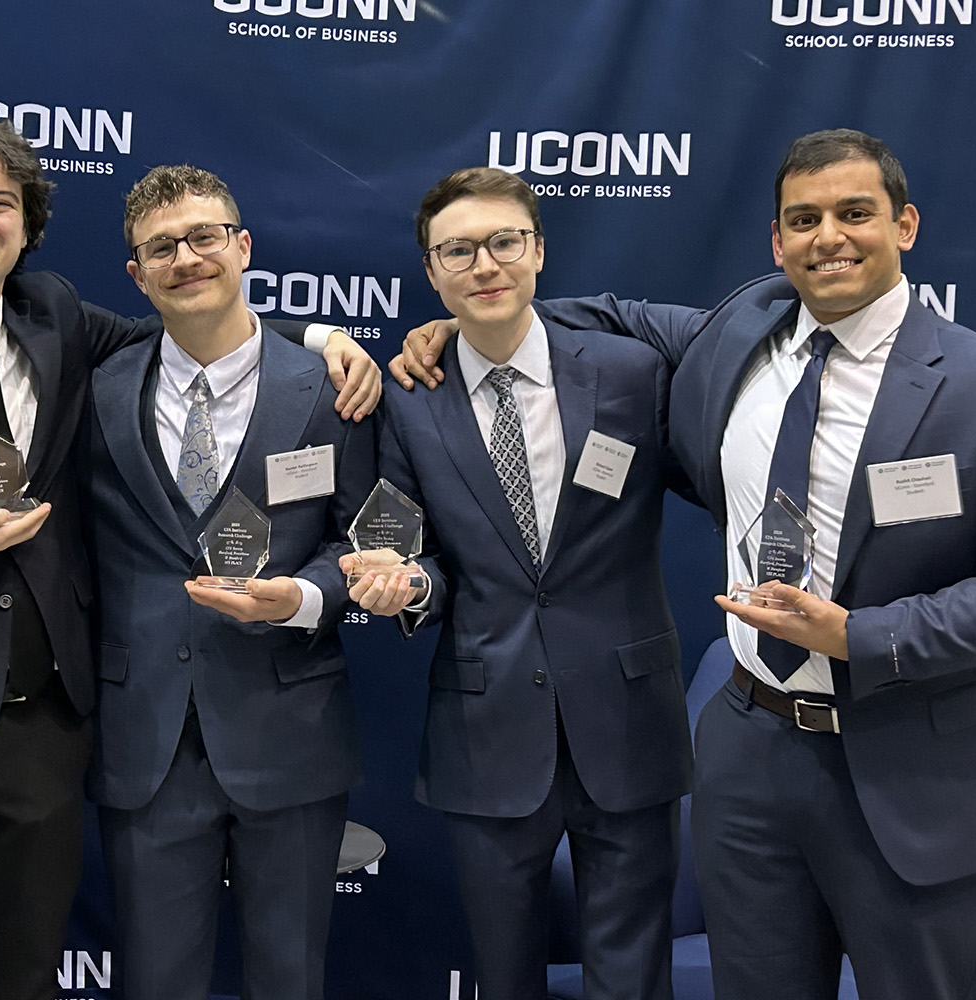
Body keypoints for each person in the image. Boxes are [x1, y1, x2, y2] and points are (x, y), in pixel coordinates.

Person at [393, 129, 976, 1000]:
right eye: (804, 219)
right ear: (776, 243)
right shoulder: (735, 338)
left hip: (910, 758)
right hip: (748, 751)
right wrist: (451, 327)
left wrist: (857, 636)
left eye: (854, 214)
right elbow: (583, 315)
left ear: (905, 225)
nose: (827, 236)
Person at [0, 120, 378, 1000]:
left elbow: (197, 316)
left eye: (1, 204)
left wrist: (321, 337)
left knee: (20, 977)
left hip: (46, 727)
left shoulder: (54, 318)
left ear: (26, 228)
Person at [349, 167, 689, 1000]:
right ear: (431, 273)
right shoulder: (410, 403)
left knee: (633, 970)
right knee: (502, 973)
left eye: (504, 242)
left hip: (626, 714)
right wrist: (407, 587)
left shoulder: (632, 372)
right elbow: (416, 553)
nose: (484, 264)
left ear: (538, 250)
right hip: (487, 722)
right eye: (457, 251)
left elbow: (739, 354)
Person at [82, 163, 375, 1000]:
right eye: (161, 247)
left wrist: (307, 598)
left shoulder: (333, 389)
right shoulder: (97, 386)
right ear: (137, 275)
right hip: (146, 740)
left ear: (242, 246)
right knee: (156, 982)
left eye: (204, 236)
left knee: (291, 978)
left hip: (291, 726)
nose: (187, 258)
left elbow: (372, 544)